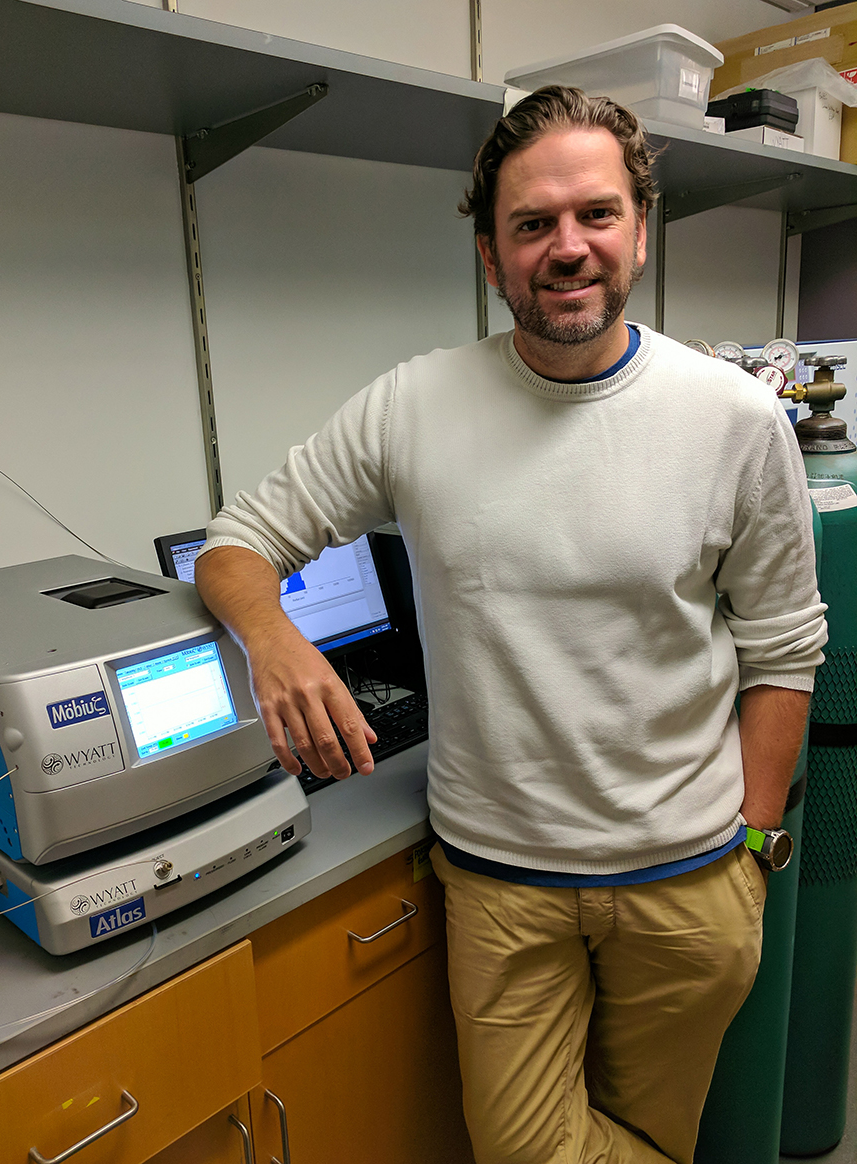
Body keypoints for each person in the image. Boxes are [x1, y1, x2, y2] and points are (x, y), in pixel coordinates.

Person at [195, 86, 827, 1164]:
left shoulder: (734, 419)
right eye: (532, 224)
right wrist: (279, 641)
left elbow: (783, 646)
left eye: (594, 215)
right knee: (524, 1148)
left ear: (639, 228)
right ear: (491, 257)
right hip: (502, 887)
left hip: (688, 882)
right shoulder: (412, 406)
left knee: (653, 1136)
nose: (565, 248)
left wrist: (754, 844)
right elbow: (237, 543)